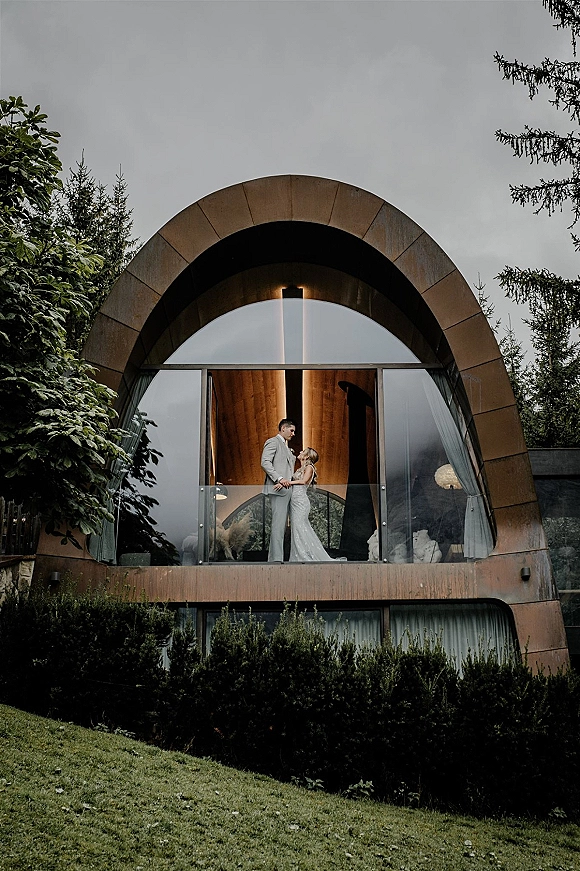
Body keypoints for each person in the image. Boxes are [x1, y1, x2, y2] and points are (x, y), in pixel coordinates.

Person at [277, 447, 335, 562]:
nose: (300, 452)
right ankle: (298, 556)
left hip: (301, 502)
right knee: (297, 529)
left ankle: (305, 556)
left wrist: (286, 483)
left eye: (303, 452)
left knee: (300, 528)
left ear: (307, 456)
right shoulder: (300, 468)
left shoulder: (310, 467)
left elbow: (303, 481)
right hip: (294, 501)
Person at [261, 419, 296, 562]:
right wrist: (279, 479)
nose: (294, 434)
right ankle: (275, 559)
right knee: (278, 525)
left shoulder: (286, 447)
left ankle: (285, 557)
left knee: (288, 526)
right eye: (291, 430)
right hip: (278, 490)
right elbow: (265, 462)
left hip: (288, 490)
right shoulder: (273, 442)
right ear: (283, 428)